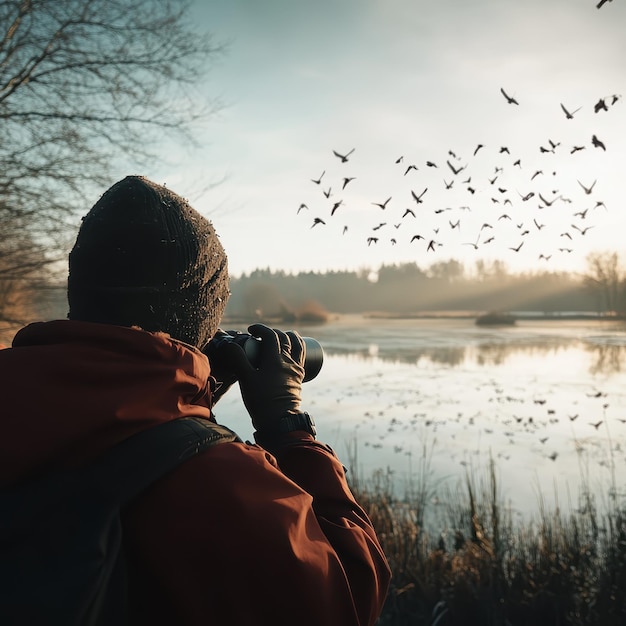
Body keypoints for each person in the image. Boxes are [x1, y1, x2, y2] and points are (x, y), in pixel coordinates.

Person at [0, 176, 391, 625]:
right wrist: (288, 424)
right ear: (202, 315)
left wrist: (190, 402)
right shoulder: (220, 484)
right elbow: (350, 597)